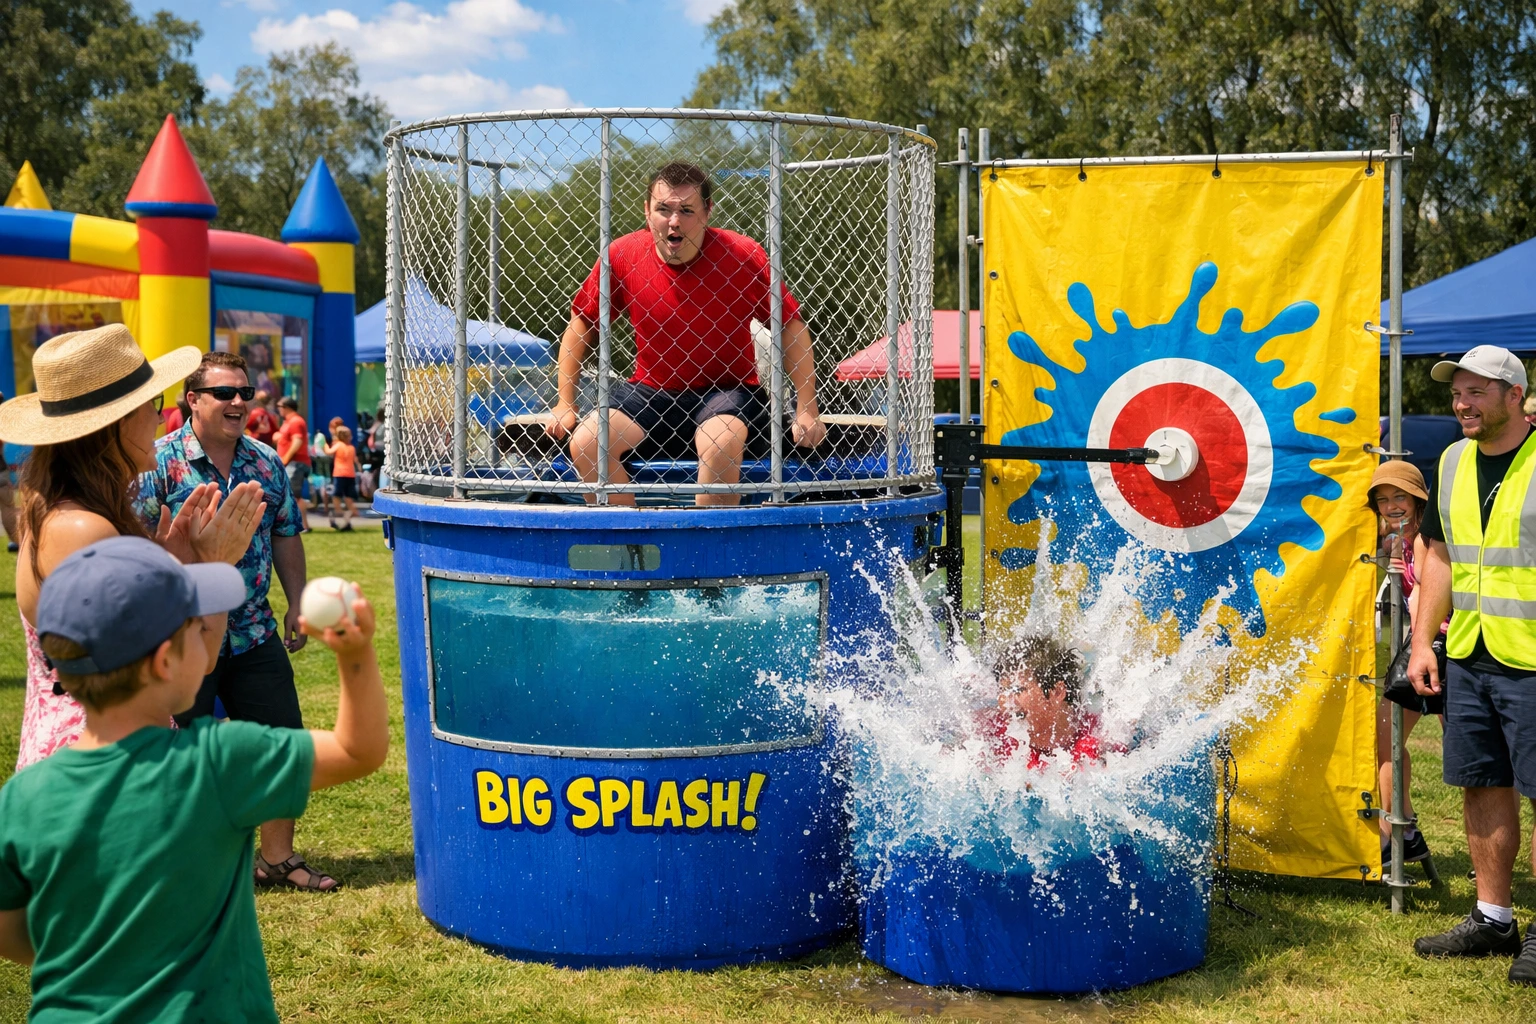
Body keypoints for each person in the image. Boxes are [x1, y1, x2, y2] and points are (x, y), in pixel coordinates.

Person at [0, 536, 387, 1020]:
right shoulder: (217, 763)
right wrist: (355, 654)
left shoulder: (22, 798)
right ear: (166, 662)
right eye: (198, 626)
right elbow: (359, 750)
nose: (210, 630)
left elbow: (6, 924)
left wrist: (89, 954)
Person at [0, 324, 264, 771]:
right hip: (105, 776)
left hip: (90, 764)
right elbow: (183, 670)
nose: (162, 419)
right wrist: (211, 568)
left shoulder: (67, 513)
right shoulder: (85, 530)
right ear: (117, 424)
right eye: (154, 405)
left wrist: (170, 570)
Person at [136, 352, 333, 891]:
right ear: (193, 400)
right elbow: (132, 548)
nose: (239, 402)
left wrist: (297, 600)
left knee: (283, 743)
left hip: (251, 631)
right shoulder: (158, 462)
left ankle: (278, 858)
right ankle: (193, 864)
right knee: (182, 755)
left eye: (245, 392)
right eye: (225, 393)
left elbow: (286, 531)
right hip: (182, 637)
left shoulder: (266, 461)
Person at [545, 161, 827, 506]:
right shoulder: (622, 254)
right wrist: (565, 402)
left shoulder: (742, 254)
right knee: (588, 441)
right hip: (653, 392)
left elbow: (790, 327)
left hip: (727, 391)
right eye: (663, 209)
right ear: (647, 211)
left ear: (707, 212)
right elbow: (582, 323)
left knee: (721, 440)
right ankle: (630, 547)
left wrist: (806, 407)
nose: (674, 221)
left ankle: (705, 550)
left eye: (687, 211)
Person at [1407, 345, 1536, 983]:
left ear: (1515, 395)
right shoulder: (1453, 460)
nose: (1462, 403)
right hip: (1472, 656)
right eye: (1457, 392)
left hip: (1533, 662)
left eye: (1477, 392)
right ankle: (1493, 917)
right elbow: (1438, 555)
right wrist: (1423, 641)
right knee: (1482, 783)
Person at [1369, 460, 1440, 869]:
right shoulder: (1401, 535)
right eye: (1383, 499)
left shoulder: (1429, 538)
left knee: (1482, 763)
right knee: (1387, 733)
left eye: (1400, 497)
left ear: (1418, 498)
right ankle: (1404, 832)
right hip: (1429, 646)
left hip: (1447, 646)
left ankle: (1402, 835)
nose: (1392, 505)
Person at [986, 635, 1104, 768]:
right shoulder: (989, 741)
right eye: (1003, 690)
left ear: (1057, 691)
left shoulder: (1101, 740)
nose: (1007, 701)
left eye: (1018, 689)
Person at [273, 396, 312, 529]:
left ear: (287, 407)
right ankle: (301, 525)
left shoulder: (296, 421)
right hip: (291, 463)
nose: (278, 410)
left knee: (293, 494)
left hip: (295, 462)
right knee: (291, 494)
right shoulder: (288, 422)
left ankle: (303, 525)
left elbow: (297, 442)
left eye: (279, 407)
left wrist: (285, 459)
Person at [324, 425, 359, 530]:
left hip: (339, 474)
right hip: (350, 474)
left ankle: (338, 512)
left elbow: (328, 452)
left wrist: (324, 444)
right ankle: (348, 516)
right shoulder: (352, 448)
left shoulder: (338, 445)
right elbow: (355, 460)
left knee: (336, 496)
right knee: (349, 498)